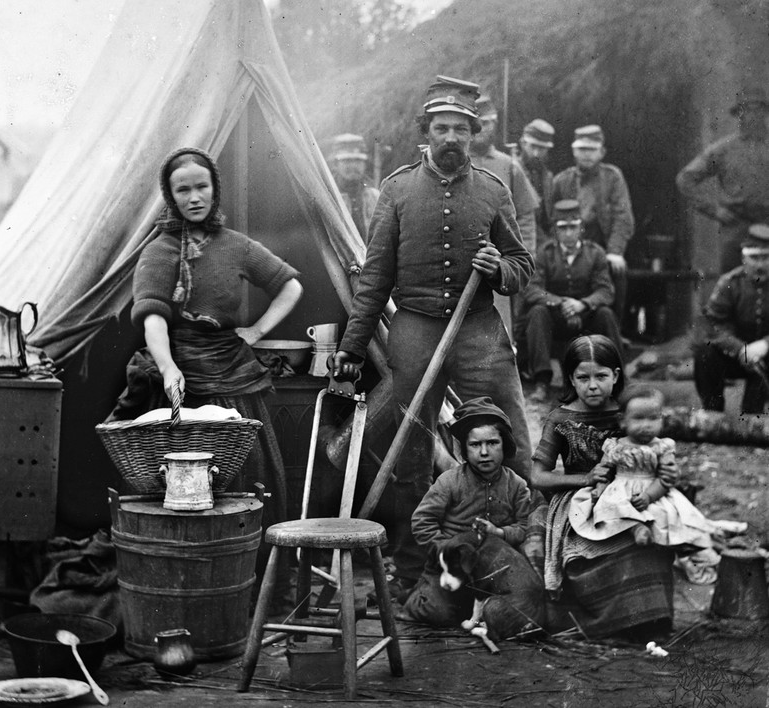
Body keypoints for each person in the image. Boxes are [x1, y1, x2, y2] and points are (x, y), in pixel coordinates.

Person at [331, 75, 535, 602]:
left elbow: (522, 264)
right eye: (441, 128)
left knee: (508, 430)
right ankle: (414, 567)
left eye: (460, 129)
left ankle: (516, 559)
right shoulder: (397, 190)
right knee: (410, 451)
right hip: (416, 328)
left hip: (479, 328)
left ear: (473, 134)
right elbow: (375, 278)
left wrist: (499, 270)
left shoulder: (494, 190)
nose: (451, 137)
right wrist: (352, 348)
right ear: (426, 133)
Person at [119, 147, 303, 605]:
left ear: (214, 188)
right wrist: (167, 367)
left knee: (250, 481)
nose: (195, 196)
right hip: (182, 384)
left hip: (235, 382)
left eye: (202, 186)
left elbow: (291, 284)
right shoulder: (159, 252)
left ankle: (254, 592)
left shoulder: (236, 245)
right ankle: (191, 592)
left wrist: (257, 330)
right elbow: (153, 320)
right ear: (171, 196)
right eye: (184, 189)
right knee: (184, 492)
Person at [527, 335, 675, 639]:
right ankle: (610, 621)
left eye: (601, 376)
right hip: (579, 501)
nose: (592, 385)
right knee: (603, 545)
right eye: (583, 378)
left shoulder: (629, 411)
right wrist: (585, 479)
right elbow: (538, 477)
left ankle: (651, 618)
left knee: (649, 537)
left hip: (632, 492)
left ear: (616, 376)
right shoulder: (560, 418)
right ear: (571, 378)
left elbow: (654, 451)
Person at [403, 397, 534, 626]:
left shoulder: (517, 485)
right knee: (438, 614)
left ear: (506, 445)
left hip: (493, 571)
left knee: (514, 609)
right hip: (451, 569)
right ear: (463, 448)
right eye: (475, 445)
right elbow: (422, 521)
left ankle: (476, 611)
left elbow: (524, 527)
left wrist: (501, 533)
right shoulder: (450, 482)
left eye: (493, 443)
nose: (484, 452)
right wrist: (446, 550)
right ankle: (418, 596)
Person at [568, 385, 714, 549]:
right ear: (622, 420)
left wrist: (649, 496)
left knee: (663, 514)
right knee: (608, 509)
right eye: (638, 418)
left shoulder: (662, 447)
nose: (646, 425)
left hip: (651, 489)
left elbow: (666, 478)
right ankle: (636, 529)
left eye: (653, 418)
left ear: (662, 419)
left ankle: (655, 535)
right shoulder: (614, 446)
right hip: (619, 489)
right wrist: (600, 488)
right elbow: (604, 471)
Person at [522, 199, 624, 402]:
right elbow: (532, 289)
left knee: (606, 314)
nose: (568, 233)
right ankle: (542, 381)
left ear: (581, 228)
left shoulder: (595, 253)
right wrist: (560, 302)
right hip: (555, 317)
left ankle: (618, 382)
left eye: (573, 227)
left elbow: (605, 291)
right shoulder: (544, 253)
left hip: (587, 316)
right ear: (555, 231)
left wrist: (583, 304)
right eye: (563, 228)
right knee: (537, 313)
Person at [676, 86, 769, 274]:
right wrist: (714, 209)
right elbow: (685, 179)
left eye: (757, 109)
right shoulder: (724, 150)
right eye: (746, 110)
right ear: (739, 115)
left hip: (767, 225)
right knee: (732, 285)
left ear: (765, 113)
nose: (752, 115)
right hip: (736, 230)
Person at [471, 96, 540, 340]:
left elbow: (526, 216)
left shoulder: (509, 166)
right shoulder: (453, 163)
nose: (482, 128)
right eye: (477, 121)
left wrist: (523, 257)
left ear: (495, 125)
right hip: (460, 263)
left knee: (498, 335)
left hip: (498, 264)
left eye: (488, 122)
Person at [552, 125, 635, 322]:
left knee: (617, 274)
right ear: (573, 151)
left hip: (602, 247)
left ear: (602, 152)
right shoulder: (561, 181)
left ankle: (614, 328)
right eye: (582, 149)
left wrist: (615, 251)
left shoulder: (612, 177)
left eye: (592, 150)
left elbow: (622, 217)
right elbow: (550, 219)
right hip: (568, 246)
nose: (586, 155)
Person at [692, 222, 769, 414]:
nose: (760, 264)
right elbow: (713, 324)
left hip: (768, 357)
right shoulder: (729, 283)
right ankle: (713, 415)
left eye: (766, 257)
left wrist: (765, 345)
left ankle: (754, 418)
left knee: (753, 416)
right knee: (705, 354)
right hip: (737, 355)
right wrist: (739, 349)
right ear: (744, 259)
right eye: (754, 258)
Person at [327, 133, 380, 244]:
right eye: (346, 161)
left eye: (358, 161)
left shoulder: (375, 197)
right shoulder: (327, 197)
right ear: (335, 164)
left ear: (365, 164)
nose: (353, 166)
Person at [517, 119, 556, 237]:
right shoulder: (512, 171)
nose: (536, 153)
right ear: (523, 143)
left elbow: (547, 219)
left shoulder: (547, 178)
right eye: (533, 146)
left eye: (542, 148)